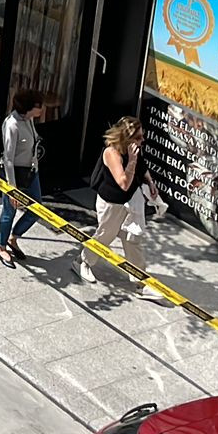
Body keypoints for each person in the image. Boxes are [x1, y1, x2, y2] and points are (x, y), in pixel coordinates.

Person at [74, 116, 168, 301]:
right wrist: (131, 160)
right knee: (104, 237)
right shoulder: (112, 153)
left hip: (131, 201)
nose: (142, 140)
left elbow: (142, 167)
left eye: (142, 136)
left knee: (133, 240)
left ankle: (141, 282)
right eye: (138, 138)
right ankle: (82, 262)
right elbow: (123, 183)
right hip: (112, 203)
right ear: (126, 138)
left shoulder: (135, 149)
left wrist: (150, 181)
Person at [0, 89, 49, 268]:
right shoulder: (12, 125)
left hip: (31, 171)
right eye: (38, 107)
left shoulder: (29, 120)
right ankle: (1, 246)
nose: (41, 109)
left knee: (36, 207)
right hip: (14, 173)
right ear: (28, 108)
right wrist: (12, 189)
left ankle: (14, 237)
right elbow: (8, 159)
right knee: (9, 211)